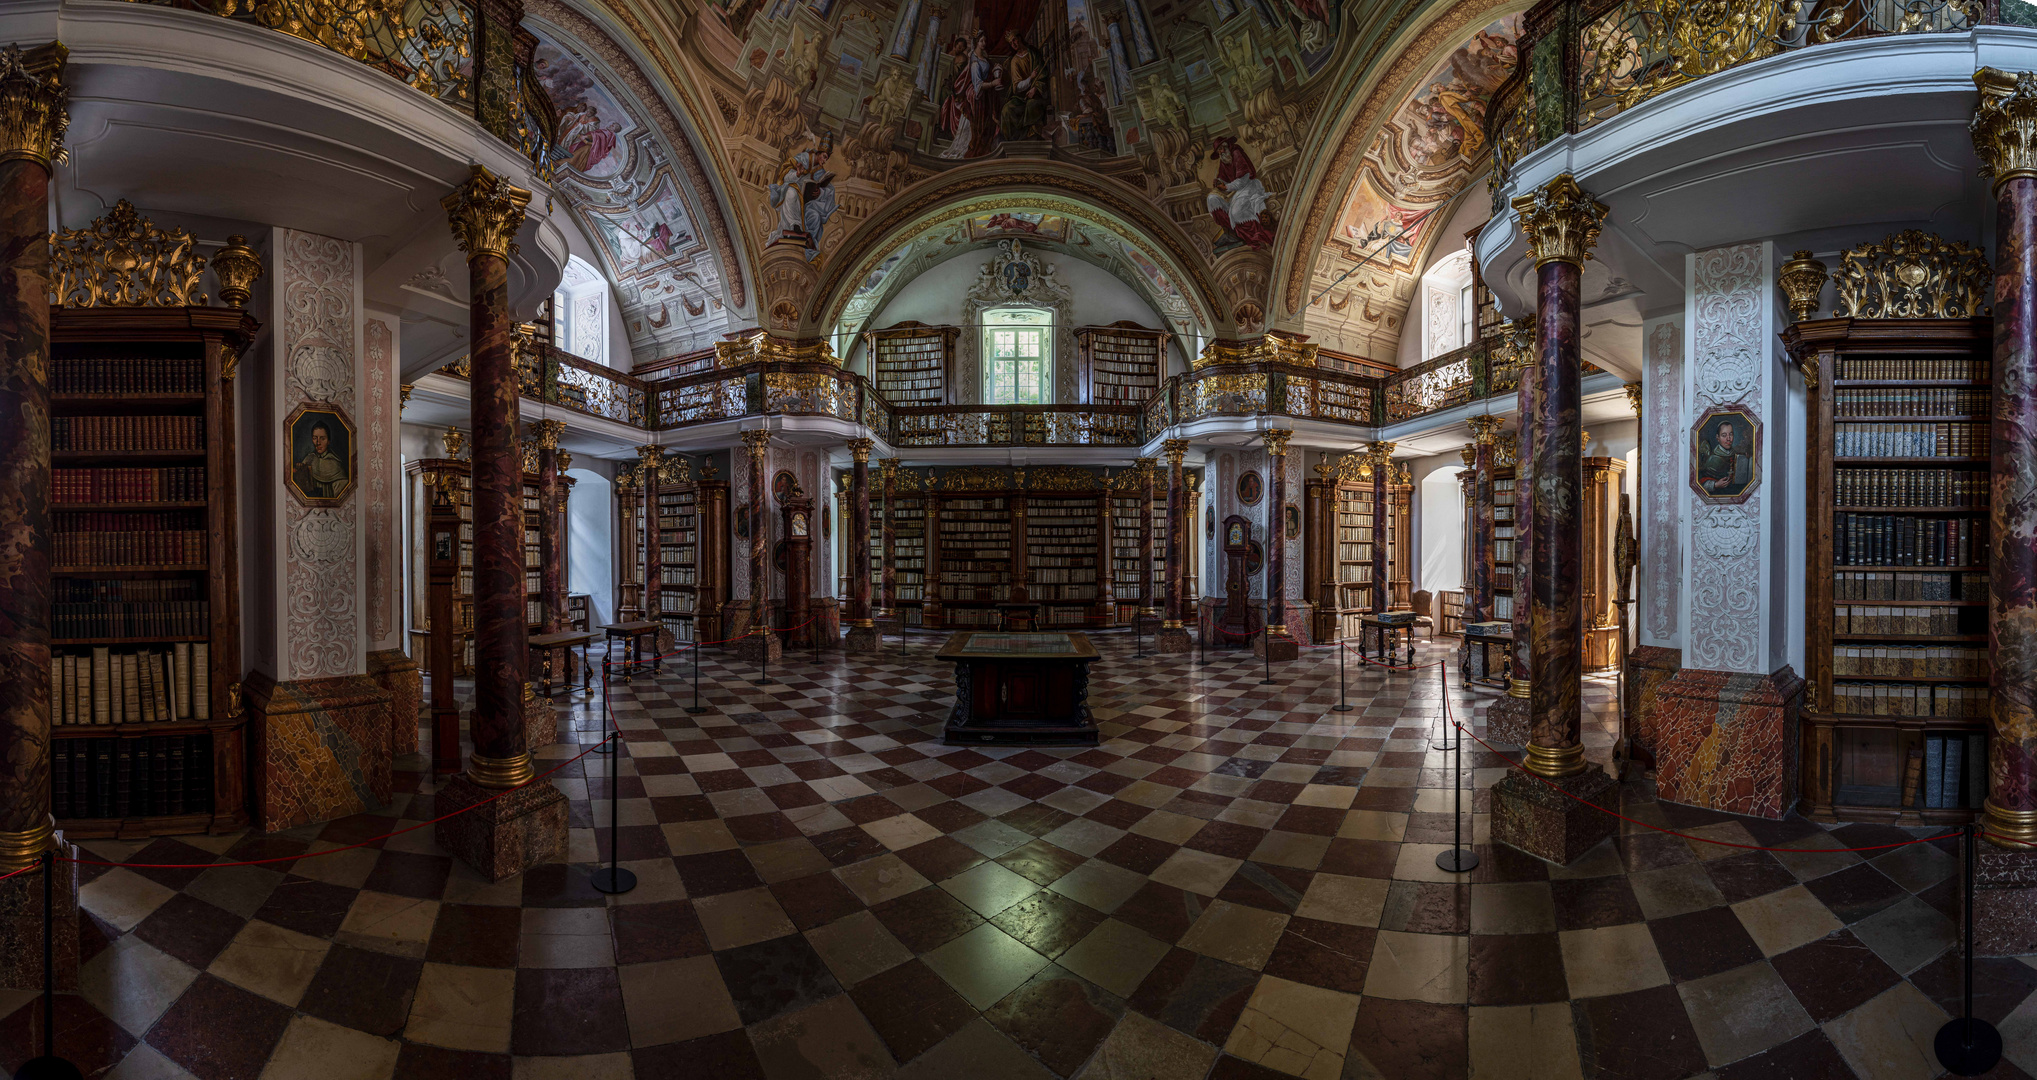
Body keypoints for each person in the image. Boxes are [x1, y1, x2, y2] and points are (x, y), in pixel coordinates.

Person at [1206, 136, 1274, 250]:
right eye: (1219, 151)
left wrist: (1226, 186)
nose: (1221, 152)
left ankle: (1255, 238)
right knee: (1212, 199)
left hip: (1249, 187)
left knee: (1237, 211)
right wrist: (1219, 183)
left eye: (1222, 149)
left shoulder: (1236, 153)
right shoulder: (1224, 160)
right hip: (1235, 192)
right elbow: (1224, 179)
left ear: (1227, 146)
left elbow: (1243, 180)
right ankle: (1235, 232)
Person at [1697, 417, 1751, 496]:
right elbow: (1699, 482)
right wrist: (1715, 485)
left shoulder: (1737, 454)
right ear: (1717, 438)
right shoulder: (1712, 459)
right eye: (1724, 435)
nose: (1728, 439)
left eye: (1731, 434)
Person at [296, 420, 347, 498]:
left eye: (322, 438)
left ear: (328, 441)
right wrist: (301, 471)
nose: (318, 442)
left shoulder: (335, 464)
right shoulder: (309, 459)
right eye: (315, 438)